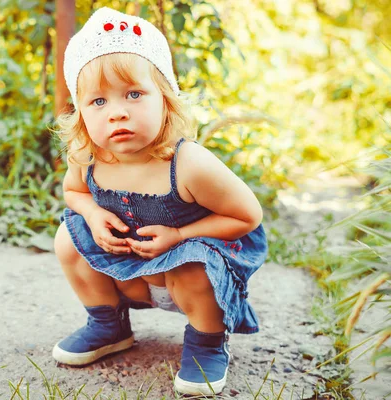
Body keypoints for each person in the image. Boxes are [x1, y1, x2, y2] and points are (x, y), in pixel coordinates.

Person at [52, 7, 268, 395]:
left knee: (194, 264)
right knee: (68, 237)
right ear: (80, 113)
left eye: (133, 94)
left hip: (188, 276)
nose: (117, 112)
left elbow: (247, 216)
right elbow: (74, 193)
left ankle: (206, 342)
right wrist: (93, 211)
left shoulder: (188, 163)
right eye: (98, 102)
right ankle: (108, 325)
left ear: (165, 99)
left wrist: (180, 233)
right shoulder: (86, 156)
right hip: (127, 269)